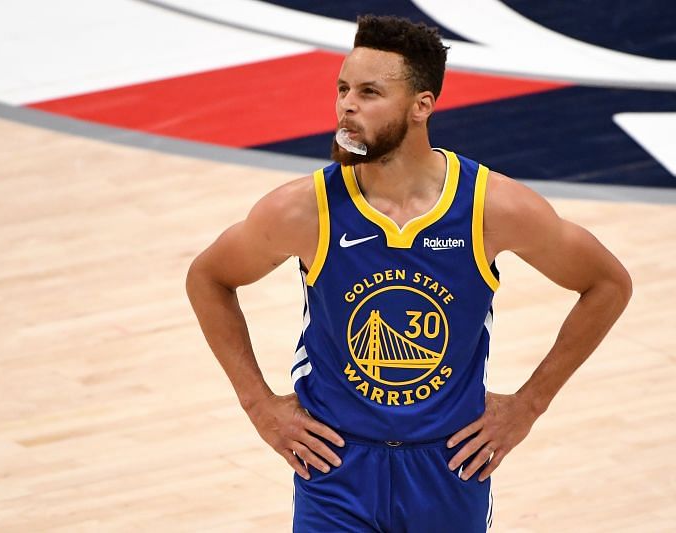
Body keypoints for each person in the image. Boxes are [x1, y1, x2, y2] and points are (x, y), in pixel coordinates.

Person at [186, 14, 632, 532]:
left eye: (370, 92)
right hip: (335, 466)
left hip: (448, 467)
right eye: (343, 88)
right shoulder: (304, 210)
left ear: (422, 106)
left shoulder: (493, 207)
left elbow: (607, 284)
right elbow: (208, 278)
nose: (347, 105)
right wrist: (258, 405)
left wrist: (529, 405)